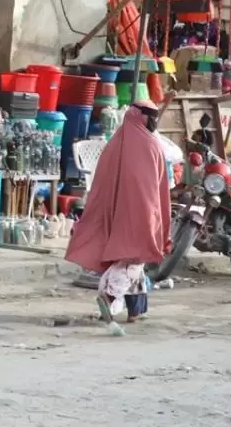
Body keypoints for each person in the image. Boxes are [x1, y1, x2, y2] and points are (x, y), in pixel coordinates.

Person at [65, 101, 171, 324]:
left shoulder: (116, 142)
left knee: (134, 263)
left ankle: (136, 310)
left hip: (115, 214)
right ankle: (110, 296)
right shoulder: (151, 144)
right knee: (132, 261)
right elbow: (157, 187)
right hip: (142, 215)